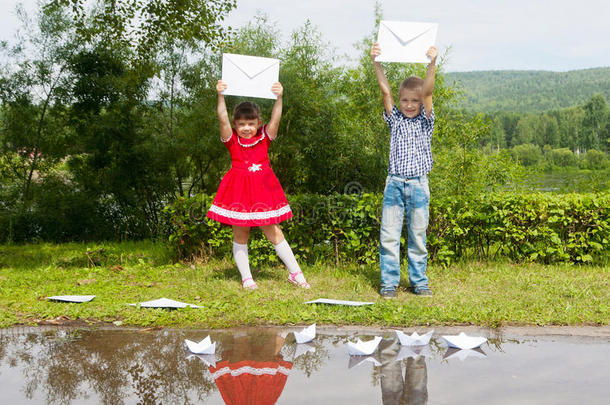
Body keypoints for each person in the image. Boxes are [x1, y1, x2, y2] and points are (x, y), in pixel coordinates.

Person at [207, 80, 310, 290]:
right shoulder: (231, 139)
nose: (246, 128)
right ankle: (247, 278)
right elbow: (222, 118)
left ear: (258, 123)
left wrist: (279, 97)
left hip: (263, 190)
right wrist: (220, 96)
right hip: (239, 191)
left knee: (274, 231)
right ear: (236, 124)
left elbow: (276, 118)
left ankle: (295, 273)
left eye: (251, 124)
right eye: (242, 124)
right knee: (240, 233)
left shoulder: (264, 138)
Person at [370, 42, 438, 298]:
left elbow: (429, 92)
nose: (409, 105)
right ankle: (389, 282)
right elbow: (385, 91)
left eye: (415, 100)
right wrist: (377, 62)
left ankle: (419, 281)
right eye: (405, 100)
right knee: (389, 235)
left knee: (417, 236)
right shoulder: (395, 119)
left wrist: (431, 64)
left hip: (419, 185)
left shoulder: (425, 121)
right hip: (395, 184)